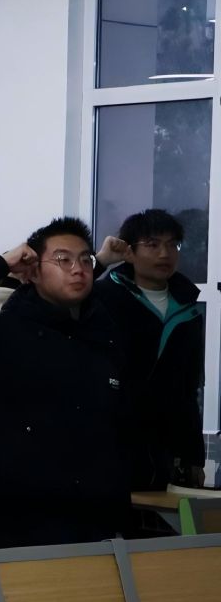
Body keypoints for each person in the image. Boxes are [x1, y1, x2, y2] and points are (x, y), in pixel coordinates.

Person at [0, 218, 131, 547]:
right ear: (33, 272)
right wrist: (0, 263)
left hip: (96, 521)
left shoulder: (104, 335)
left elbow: (119, 427)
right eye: (63, 259)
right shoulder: (3, 333)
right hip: (17, 521)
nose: (78, 269)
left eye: (85, 260)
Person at [95, 209, 205, 489]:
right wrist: (99, 261)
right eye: (153, 245)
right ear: (129, 253)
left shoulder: (188, 309)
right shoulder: (102, 298)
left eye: (172, 245)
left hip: (164, 449)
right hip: (110, 440)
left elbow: (188, 387)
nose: (165, 254)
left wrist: (193, 456)